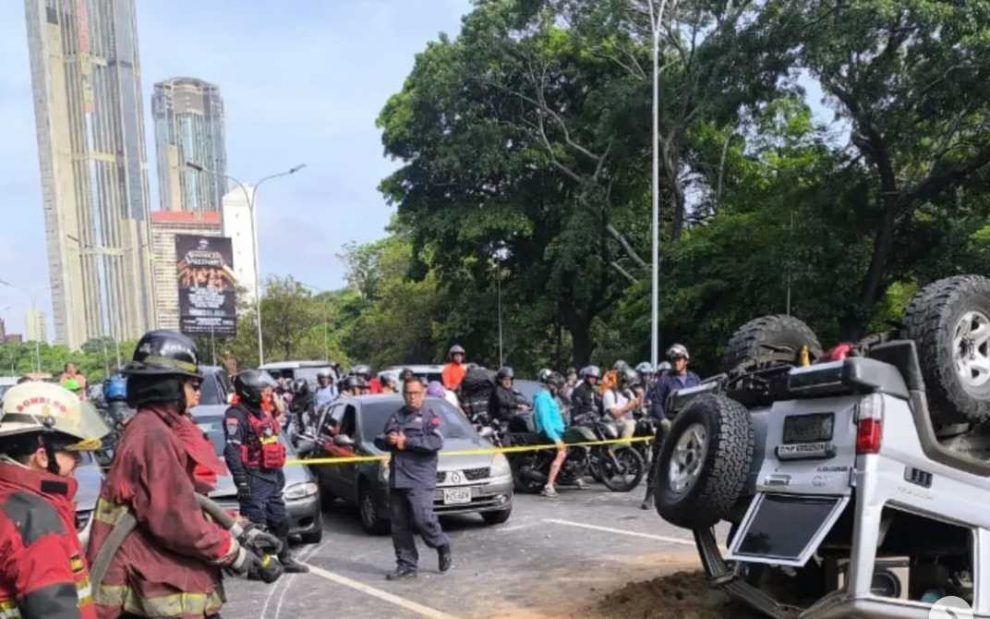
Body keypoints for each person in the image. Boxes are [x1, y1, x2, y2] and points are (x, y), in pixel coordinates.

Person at [88, 330, 281, 618]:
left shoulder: (155, 428)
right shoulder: (153, 435)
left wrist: (241, 529)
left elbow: (183, 501)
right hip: (162, 594)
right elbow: (176, 519)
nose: (198, 392)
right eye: (193, 384)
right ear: (169, 385)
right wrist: (238, 556)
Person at [0, 382, 110, 619]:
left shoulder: (9, 499)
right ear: (42, 456)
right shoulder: (35, 519)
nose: (78, 462)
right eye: (72, 453)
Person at [224, 370, 308, 573]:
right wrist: (241, 481)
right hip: (253, 477)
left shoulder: (263, 412)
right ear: (251, 392)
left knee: (280, 520)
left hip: (270, 476)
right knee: (255, 526)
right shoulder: (236, 416)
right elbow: (232, 452)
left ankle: (285, 558)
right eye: (264, 391)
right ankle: (258, 566)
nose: (268, 394)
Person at [374, 378, 452, 580]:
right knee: (399, 524)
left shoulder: (430, 417)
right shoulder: (396, 416)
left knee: (423, 518)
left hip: (420, 477)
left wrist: (406, 442)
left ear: (423, 393)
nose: (412, 397)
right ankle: (407, 565)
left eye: (416, 393)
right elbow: (380, 439)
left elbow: (436, 441)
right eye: (408, 393)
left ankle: (441, 543)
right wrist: (387, 440)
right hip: (398, 477)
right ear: (403, 394)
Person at [641, 344, 701, 510]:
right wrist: (662, 420)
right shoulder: (665, 380)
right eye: (674, 360)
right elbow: (656, 403)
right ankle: (649, 496)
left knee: (691, 460)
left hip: (689, 425)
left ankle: (685, 496)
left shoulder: (694, 379)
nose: (676, 362)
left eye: (679, 359)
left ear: (686, 360)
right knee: (659, 460)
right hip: (669, 424)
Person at [533, 370, 569, 497]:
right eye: (558, 388)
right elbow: (546, 421)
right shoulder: (543, 398)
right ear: (552, 386)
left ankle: (559, 477)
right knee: (561, 452)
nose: (558, 391)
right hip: (548, 433)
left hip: (557, 431)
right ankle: (548, 486)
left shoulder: (549, 398)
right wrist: (556, 439)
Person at [602, 368, 641, 439]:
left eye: (627, 382)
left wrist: (640, 397)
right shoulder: (609, 393)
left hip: (628, 421)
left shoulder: (628, 392)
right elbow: (615, 414)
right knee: (629, 424)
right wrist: (629, 406)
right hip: (613, 424)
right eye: (623, 381)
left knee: (645, 425)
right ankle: (622, 446)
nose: (626, 384)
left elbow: (637, 409)